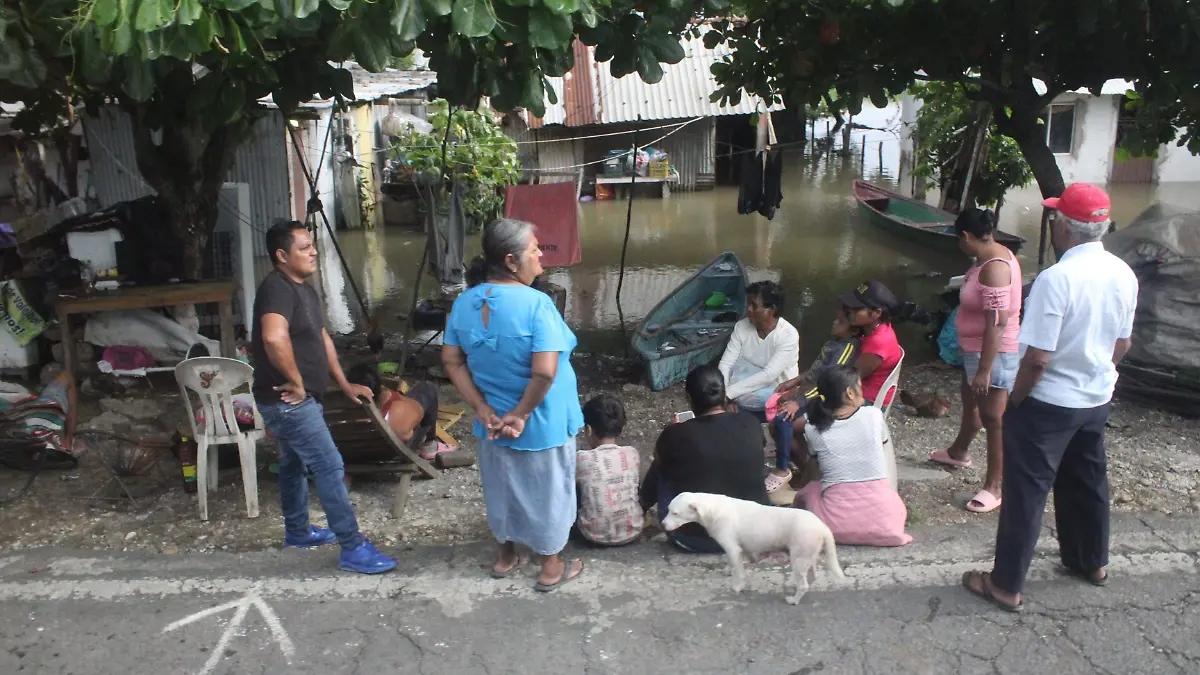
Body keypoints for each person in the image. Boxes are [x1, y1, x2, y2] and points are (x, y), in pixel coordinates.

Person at [963, 183, 1138, 612]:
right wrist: (1099, 373)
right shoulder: (1123, 273)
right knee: (1088, 481)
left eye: (1055, 217)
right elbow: (1123, 344)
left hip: (1050, 403)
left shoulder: (1056, 279)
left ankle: (1005, 585)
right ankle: (1091, 562)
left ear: (1063, 226)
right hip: (1096, 399)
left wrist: (1019, 399)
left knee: (1027, 492)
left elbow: (1038, 358)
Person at [442, 218, 586, 592]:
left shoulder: (465, 302)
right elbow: (544, 373)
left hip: (492, 421)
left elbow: (452, 361)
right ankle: (551, 568)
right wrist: (520, 415)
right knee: (548, 490)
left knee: (502, 486)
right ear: (510, 261)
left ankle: (506, 556)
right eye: (534, 249)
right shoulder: (538, 304)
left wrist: (481, 408)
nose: (541, 256)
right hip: (540, 419)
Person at [251, 220, 396, 574]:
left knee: (293, 464)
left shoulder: (304, 289)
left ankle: (298, 531)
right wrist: (296, 381)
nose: (313, 251)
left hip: (297, 400)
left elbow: (322, 339)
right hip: (289, 403)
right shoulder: (277, 288)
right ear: (282, 256)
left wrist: (344, 384)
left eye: (312, 245)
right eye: (304, 247)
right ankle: (352, 546)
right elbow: (273, 337)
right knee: (329, 466)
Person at [929, 208, 1023, 514]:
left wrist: (985, 370)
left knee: (994, 418)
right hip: (973, 349)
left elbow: (997, 322)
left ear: (967, 237)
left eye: (959, 240)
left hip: (992, 352)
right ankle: (958, 452)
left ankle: (995, 486)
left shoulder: (995, 268)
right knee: (969, 401)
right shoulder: (985, 258)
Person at [640, 364, 769, 553]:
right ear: (724, 395)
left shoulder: (676, 433)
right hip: (753, 534)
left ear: (689, 399)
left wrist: (675, 433)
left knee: (662, 464)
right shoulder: (751, 422)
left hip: (694, 538)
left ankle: (639, 508)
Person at [791, 365, 911, 546]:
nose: (862, 391)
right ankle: (890, 494)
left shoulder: (813, 428)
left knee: (811, 488)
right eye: (860, 386)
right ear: (849, 393)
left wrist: (801, 492)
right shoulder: (873, 415)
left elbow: (813, 473)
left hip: (831, 528)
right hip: (888, 524)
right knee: (883, 445)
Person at [766, 310, 861, 492]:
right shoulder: (835, 343)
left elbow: (828, 383)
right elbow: (816, 370)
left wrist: (798, 402)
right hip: (809, 392)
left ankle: (782, 469)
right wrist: (794, 381)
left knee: (783, 419)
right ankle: (800, 466)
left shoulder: (846, 349)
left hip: (821, 398)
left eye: (840, 322)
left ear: (852, 331)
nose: (834, 322)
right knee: (778, 411)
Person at [717, 281, 800, 418]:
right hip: (745, 378)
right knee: (719, 381)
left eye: (754, 305)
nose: (749, 309)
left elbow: (769, 375)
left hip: (775, 385)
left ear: (772, 310)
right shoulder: (741, 327)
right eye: (748, 303)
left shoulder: (788, 335)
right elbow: (726, 363)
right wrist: (726, 395)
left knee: (760, 398)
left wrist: (727, 394)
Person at [575, 394, 642, 547]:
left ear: (589, 429)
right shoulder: (631, 453)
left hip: (592, 535)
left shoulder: (581, 458)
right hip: (633, 531)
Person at [344, 363, 448, 461]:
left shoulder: (337, 412)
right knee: (426, 388)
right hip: (389, 452)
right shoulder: (394, 414)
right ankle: (430, 444)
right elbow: (407, 435)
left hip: (353, 453)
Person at [839, 281, 906, 406]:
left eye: (856, 309)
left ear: (876, 313)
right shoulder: (876, 328)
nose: (850, 312)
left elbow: (852, 378)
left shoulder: (878, 342)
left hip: (867, 399)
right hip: (859, 389)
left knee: (801, 419)